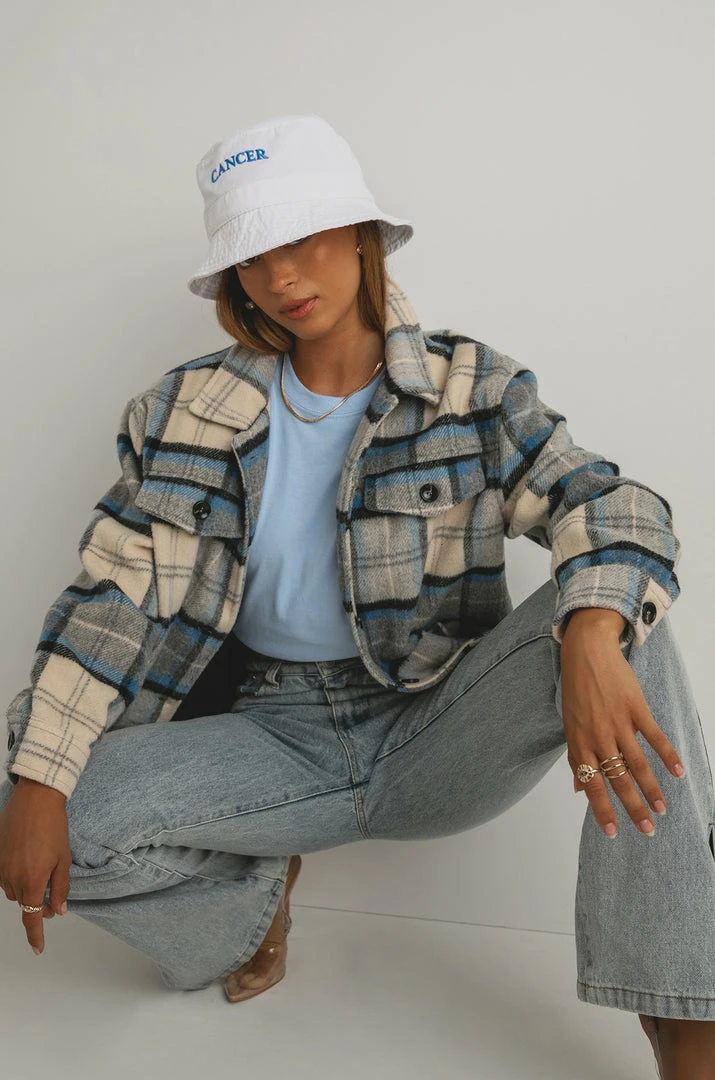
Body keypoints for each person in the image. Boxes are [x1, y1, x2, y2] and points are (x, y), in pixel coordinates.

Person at [0, 113, 713, 1078]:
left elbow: (613, 506)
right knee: (46, 810)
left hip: (435, 725)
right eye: (254, 258)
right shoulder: (178, 414)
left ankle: (684, 1005)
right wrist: (42, 781)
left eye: (302, 239)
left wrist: (588, 632)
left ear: (363, 237)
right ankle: (247, 906)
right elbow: (113, 599)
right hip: (268, 734)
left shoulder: (472, 389)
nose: (281, 276)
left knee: (621, 614)